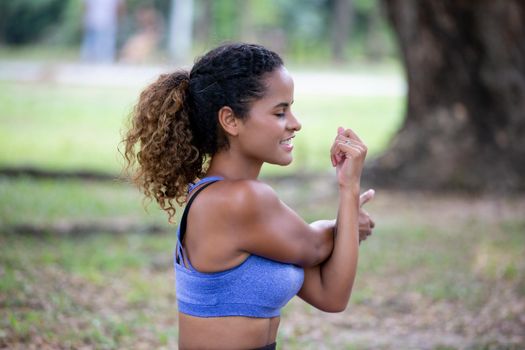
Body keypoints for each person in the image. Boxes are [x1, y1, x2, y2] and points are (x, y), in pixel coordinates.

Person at [122, 43, 375, 349]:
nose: (295, 123)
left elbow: (331, 296)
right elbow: (316, 244)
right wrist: (342, 224)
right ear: (230, 120)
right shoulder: (239, 200)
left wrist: (348, 193)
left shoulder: (233, 199)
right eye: (280, 112)